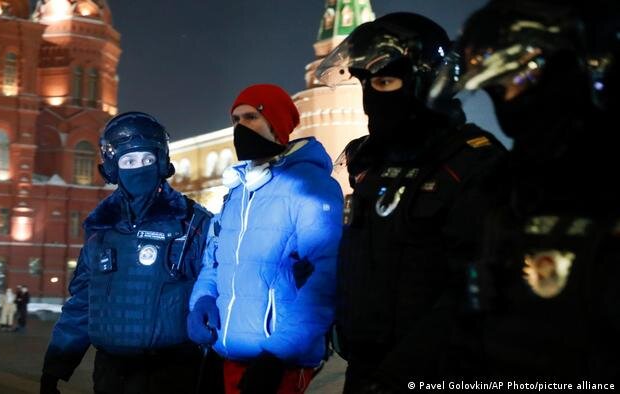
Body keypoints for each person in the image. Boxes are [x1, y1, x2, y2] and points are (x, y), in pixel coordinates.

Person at [427, 0, 620, 382]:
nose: (508, 102)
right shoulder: (501, 186)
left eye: (518, 81)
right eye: (496, 89)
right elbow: (468, 315)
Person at [315, 12, 507, 392]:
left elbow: (474, 294)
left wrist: (404, 370)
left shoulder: (471, 164)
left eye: (385, 81)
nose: (371, 98)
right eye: (364, 84)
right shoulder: (370, 166)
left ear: (426, 84)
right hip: (363, 370)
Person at [40, 112, 222, 394]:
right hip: (112, 376)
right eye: (129, 161)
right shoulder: (101, 228)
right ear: (114, 168)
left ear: (161, 161)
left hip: (175, 375)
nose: (139, 168)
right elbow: (82, 303)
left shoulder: (192, 224)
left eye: (147, 159)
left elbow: (217, 290)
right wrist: (56, 367)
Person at [187, 84, 343, 394]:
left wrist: (277, 356)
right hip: (225, 356)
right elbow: (213, 261)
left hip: (278, 366)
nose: (240, 128)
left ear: (277, 124)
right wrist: (202, 300)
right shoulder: (237, 191)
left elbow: (324, 280)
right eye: (235, 120)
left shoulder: (311, 187)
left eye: (250, 117)